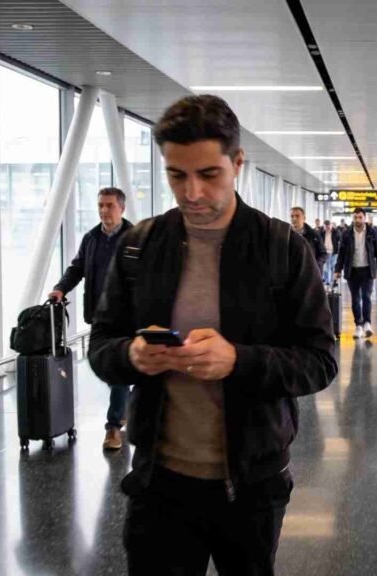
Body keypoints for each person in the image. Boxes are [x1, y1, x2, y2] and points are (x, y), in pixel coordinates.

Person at [88, 94, 337, 575]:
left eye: (208, 174)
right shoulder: (139, 246)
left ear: (238, 163)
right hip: (158, 481)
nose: (192, 193)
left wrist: (238, 362)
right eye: (177, 175)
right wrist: (132, 355)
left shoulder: (282, 248)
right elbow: (101, 346)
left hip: (252, 484)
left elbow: (320, 361)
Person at [49, 187, 134, 450]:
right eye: (100, 205)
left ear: (122, 208)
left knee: (118, 371)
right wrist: (61, 288)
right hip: (99, 315)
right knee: (109, 370)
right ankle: (126, 407)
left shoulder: (136, 237)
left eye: (109, 205)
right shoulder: (91, 238)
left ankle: (112, 428)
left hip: (128, 315)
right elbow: (77, 268)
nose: (104, 211)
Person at [335, 207, 377, 339]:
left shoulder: (372, 233)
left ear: (365, 218)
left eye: (360, 217)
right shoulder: (346, 234)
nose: (357, 220)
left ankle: (367, 323)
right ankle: (358, 325)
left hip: (368, 270)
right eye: (355, 217)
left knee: (367, 297)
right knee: (355, 298)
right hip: (352, 270)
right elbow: (341, 253)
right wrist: (337, 270)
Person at [290, 206, 327, 273]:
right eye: (292, 216)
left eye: (297, 216)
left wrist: (316, 265)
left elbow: (323, 253)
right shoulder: (286, 235)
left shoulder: (314, 235)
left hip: (310, 273)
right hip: (292, 273)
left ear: (304, 218)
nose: (294, 218)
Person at [321, 220, 340, 285]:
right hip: (326, 252)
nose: (328, 228)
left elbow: (339, 239)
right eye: (326, 226)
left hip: (334, 252)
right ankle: (327, 281)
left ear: (331, 225)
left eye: (329, 226)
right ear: (324, 226)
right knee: (327, 266)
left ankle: (332, 280)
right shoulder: (322, 233)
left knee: (333, 266)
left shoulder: (335, 232)